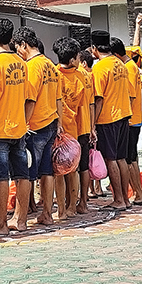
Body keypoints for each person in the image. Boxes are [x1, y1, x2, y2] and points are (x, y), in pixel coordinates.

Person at [0, 18, 33, 235]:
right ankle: (21, 220)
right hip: (19, 127)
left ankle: (1, 223)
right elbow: (30, 98)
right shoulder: (21, 62)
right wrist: (25, 120)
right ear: (11, 38)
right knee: (22, 175)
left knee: (1, 177)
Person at [12, 26, 62, 226]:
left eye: (17, 48)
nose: (18, 53)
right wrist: (59, 122)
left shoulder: (32, 66)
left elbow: (30, 99)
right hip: (51, 122)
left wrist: (23, 123)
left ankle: (20, 218)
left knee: (26, 173)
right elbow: (58, 97)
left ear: (23, 44)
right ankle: (47, 214)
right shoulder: (50, 64)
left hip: (35, 125)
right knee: (47, 172)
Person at [90, 30, 132, 211]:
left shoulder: (100, 67)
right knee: (121, 158)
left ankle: (119, 200)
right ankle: (125, 199)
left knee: (111, 159)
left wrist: (93, 124)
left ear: (94, 49)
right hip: (124, 115)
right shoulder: (120, 64)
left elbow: (98, 98)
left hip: (108, 118)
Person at [112, 37, 142, 205]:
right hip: (132, 118)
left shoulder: (129, 68)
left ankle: (138, 194)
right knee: (130, 158)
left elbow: (131, 95)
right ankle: (135, 192)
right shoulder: (131, 66)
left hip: (131, 119)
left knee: (129, 159)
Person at [54, 37, 85, 219]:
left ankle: (61, 210)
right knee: (72, 170)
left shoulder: (53, 73)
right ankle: (72, 206)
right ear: (73, 59)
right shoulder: (80, 77)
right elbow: (82, 105)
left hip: (57, 130)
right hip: (73, 129)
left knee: (58, 170)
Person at [76, 49, 96, 214]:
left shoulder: (73, 75)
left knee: (70, 168)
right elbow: (91, 104)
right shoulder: (88, 77)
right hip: (85, 127)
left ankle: (69, 204)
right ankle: (83, 201)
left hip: (72, 128)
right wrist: (92, 126)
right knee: (83, 167)